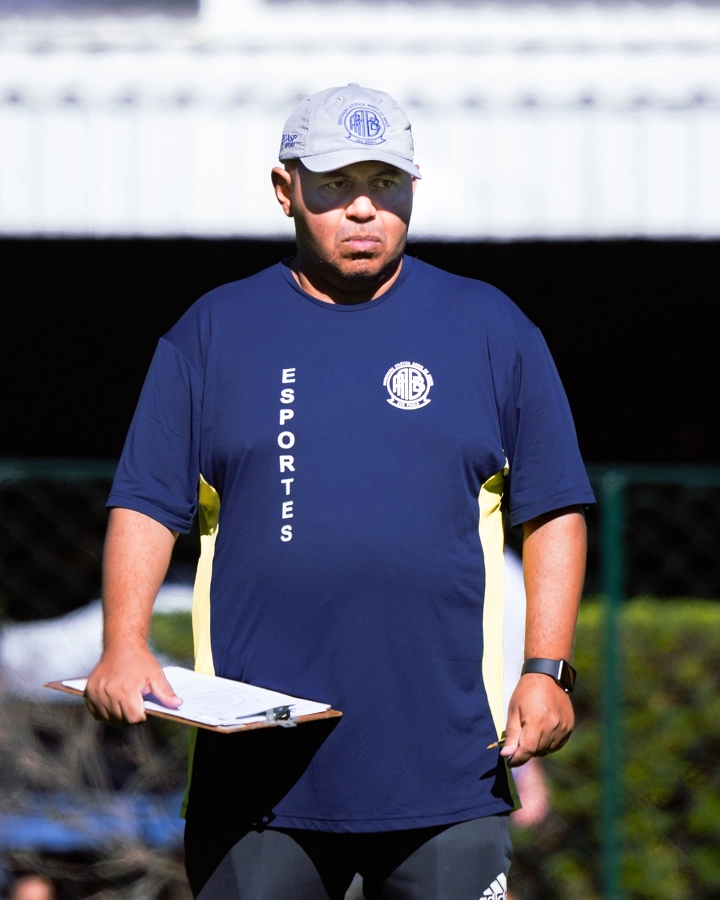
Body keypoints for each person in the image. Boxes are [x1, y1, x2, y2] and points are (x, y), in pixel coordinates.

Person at [84, 84, 594, 900]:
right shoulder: (212, 331)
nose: (364, 209)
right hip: (256, 783)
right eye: (335, 186)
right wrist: (124, 639)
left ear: (413, 191)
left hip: (448, 773)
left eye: (385, 185)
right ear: (285, 190)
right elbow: (146, 499)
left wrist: (548, 669)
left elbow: (553, 507)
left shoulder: (492, 328)